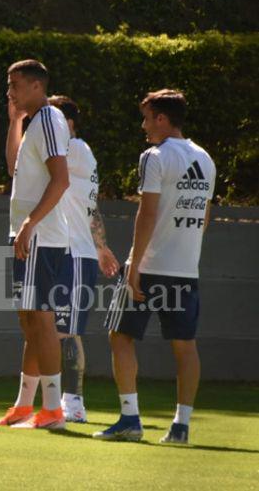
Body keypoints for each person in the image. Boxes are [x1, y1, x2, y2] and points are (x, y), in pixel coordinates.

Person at [95, 90, 215, 444]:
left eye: (147, 118)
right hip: (185, 268)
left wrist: (133, 264)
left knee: (120, 335)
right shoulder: (205, 159)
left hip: (149, 266)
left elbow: (146, 213)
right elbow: (204, 215)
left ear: (162, 119)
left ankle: (130, 419)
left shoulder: (154, 156)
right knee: (185, 345)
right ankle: (181, 427)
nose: (144, 126)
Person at [0, 60, 70, 430]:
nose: (10, 90)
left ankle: (53, 408)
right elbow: (13, 168)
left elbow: (61, 179)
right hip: (26, 235)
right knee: (28, 319)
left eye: (16, 84)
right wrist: (13, 121)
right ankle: (25, 405)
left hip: (43, 236)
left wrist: (29, 223)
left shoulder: (51, 119)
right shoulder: (34, 122)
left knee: (41, 319)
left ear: (37, 86)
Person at [48, 95, 120, 423]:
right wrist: (102, 247)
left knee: (67, 331)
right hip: (67, 251)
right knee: (51, 328)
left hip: (75, 256)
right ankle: (54, 401)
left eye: (52, 118)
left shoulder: (75, 149)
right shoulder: (74, 155)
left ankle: (73, 402)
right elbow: (91, 209)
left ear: (70, 124)